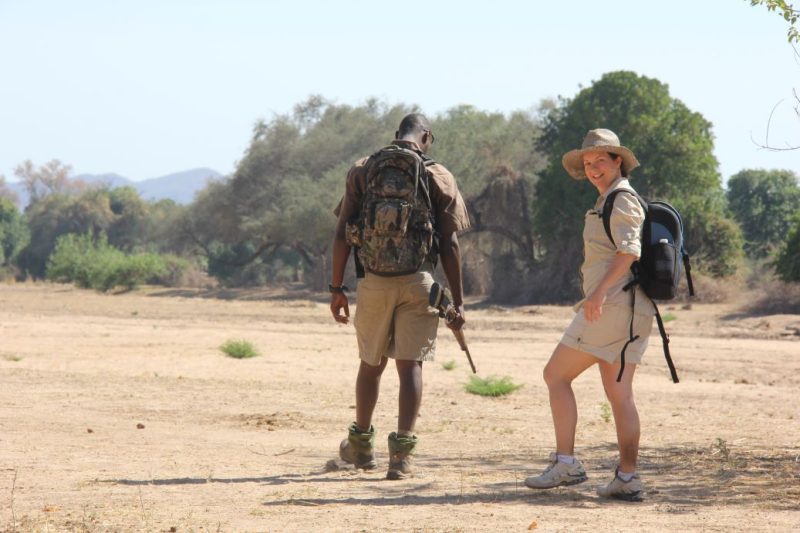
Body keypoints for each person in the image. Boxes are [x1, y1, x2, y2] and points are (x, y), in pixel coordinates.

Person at [329, 113, 470, 480]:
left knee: (371, 364)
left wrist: (336, 288)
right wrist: (458, 301)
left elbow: (343, 232)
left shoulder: (363, 170)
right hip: (419, 282)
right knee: (411, 366)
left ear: (396, 136)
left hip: (373, 281)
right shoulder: (439, 176)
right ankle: (402, 456)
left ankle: (360, 446)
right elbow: (450, 243)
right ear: (427, 137)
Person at [525, 128, 655, 501]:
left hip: (612, 307)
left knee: (555, 375)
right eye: (588, 162)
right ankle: (627, 478)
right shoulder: (608, 200)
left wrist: (597, 295)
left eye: (601, 160)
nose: (594, 167)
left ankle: (566, 463)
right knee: (619, 393)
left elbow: (628, 252)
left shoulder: (621, 198)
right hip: (630, 311)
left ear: (618, 161)